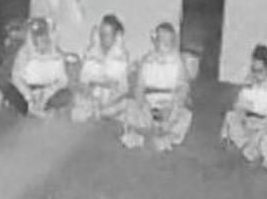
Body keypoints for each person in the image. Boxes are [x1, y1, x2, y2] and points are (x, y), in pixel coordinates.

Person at [119, 22, 192, 151]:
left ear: (173, 42)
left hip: (168, 107)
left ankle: (166, 137)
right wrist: (144, 106)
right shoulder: (147, 61)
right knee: (129, 106)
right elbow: (139, 89)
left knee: (185, 115)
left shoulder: (178, 63)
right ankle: (138, 135)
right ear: (155, 40)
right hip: (149, 106)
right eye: (160, 39)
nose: (163, 43)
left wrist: (172, 107)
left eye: (168, 40)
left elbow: (183, 89)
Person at [72, 15, 131, 122]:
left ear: (115, 36)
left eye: (107, 35)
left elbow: (122, 88)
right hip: (90, 101)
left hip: (112, 103)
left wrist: (106, 103)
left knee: (126, 106)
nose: (103, 38)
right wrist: (90, 97)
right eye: (101, 34)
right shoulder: (91, 54)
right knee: (76, 107)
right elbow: (83, 82)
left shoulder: (121, 57)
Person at [11, 18, 71, 118]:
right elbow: (16, 77)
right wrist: (29, 96)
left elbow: (63, 80)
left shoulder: (56, 52)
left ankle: (42, 109)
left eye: (42, 34)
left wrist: (47, 93)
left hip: (49, 90)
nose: (39, 39)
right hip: (28, 90)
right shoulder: (24, 52)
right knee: (11, 93)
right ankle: (32, 109)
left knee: (66, 95)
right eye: (35, 35)